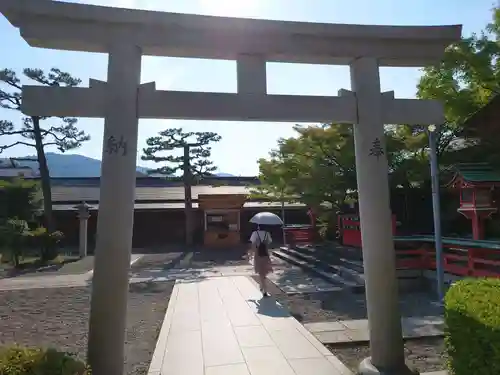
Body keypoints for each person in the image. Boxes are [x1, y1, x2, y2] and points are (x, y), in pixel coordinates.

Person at [249, 224, 273, 297]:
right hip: (265, 255)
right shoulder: (267, 234)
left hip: (257, 255)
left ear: (258, 227)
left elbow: (252, 244)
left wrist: (251, 254)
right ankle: (263, 287)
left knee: (260, 272)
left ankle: (263, 288)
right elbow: (269, 243)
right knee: (264, 272)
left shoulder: (254, 233)